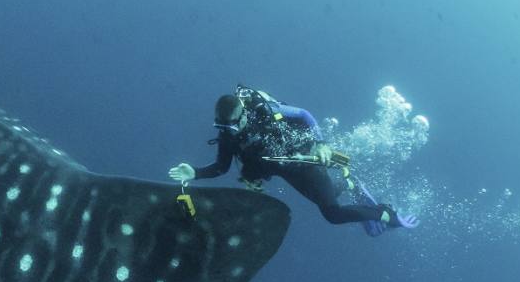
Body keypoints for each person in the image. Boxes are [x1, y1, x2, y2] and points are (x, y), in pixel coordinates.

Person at [169, 87, 417, 235]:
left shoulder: (262, 110)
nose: (229, 132)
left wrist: (320, 143)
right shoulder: (227, 134)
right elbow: (221, 167)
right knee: (324, 196)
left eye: (232, 125)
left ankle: (385, 214)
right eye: (222, 127)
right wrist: (195, 173)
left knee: (332, 213)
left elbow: (303, 115)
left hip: (301, 158)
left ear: (243, 113)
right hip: (279, 168)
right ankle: (349, 184)